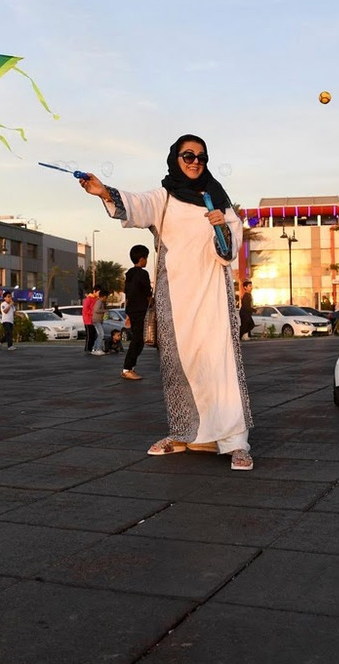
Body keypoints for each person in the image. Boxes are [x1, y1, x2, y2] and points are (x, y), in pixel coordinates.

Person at [80, 133, 254, 470]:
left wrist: (223, 227)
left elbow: (229, 249)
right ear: (175, 157)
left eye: (201, 157)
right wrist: (104, 192)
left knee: (220, 364)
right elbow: (136, 203)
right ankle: (185, 435)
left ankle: (236, 442)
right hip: (176, 296)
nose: (194, 162)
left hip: (211, 296)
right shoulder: (164, 197)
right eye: (188, 155)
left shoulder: (216, 198)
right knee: (180, 365)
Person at [122, 244, 152, 380]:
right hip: (140, 310)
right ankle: (127, 368)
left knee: (138, 340)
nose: (147, 261)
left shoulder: (129, 274)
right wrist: (152, 303)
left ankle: (130, 367)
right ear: (142, 259)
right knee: (137, 340)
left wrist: (127, 312)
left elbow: (128, 294)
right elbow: (147, 293)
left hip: (132, 310)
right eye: (146, 258)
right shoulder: (143, 274)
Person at [90, 288, 110, 356]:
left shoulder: (101, 302)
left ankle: (95, 348)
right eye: (106, 297)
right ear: (104, 296)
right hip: (96, 320)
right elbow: (96, 310)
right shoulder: (99, 302)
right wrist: (105, 310)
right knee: (101, 334)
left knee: (99, 334)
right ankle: (97, 349)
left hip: (98, 320)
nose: (106, 299)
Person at [82, 287, 98, 354]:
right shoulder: (88, 299)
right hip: (88, 320)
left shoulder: (96, 299)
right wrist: (93, 313)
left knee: (94, 335)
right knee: (89, 336)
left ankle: (92, 348)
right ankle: (87, 349)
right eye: (98, 292)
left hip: (94, 320)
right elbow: (85, 309)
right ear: (94, 291)